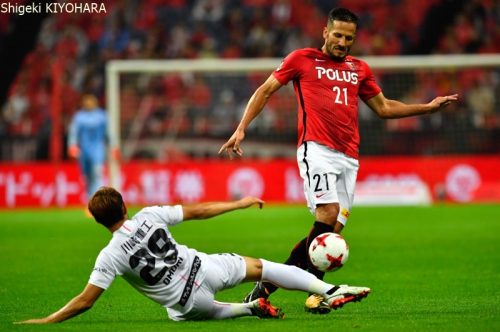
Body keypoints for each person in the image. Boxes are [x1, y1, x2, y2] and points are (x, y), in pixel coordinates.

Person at [219, 7, 459, 314]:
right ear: (325, 32)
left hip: (349, 157)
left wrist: (427, 108)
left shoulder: (359, 68)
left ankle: (266, 288)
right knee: (328, 212)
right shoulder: (301, 59)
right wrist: (241, 129)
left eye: (349, 37)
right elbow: (265, 91)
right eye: (338, 35)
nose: (343, 42)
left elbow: (384, 108)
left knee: (330, 234)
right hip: (316, 149)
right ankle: (318, 294)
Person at [16, 186, 371, 324]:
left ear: (96, 220)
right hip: (208, 267)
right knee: (266, 268)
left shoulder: (109, 257)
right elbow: (198, 211)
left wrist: (47, 321)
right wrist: (239, 203)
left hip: (190, 301)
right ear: (124, 206)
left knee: (180, 314)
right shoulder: (150, 215)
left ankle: (248, 309)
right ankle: (328, 290)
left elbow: (85, 301)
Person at [67, 94, 117, 202]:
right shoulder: (79, 117)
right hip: (84, 152)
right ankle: (90, 200)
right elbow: (73, 133)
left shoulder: (102, 116)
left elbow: (110, 133)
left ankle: (97, 202)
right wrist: (72, 146)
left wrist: (113, 146)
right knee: (87, 178)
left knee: (97, 175)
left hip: (97, 151)